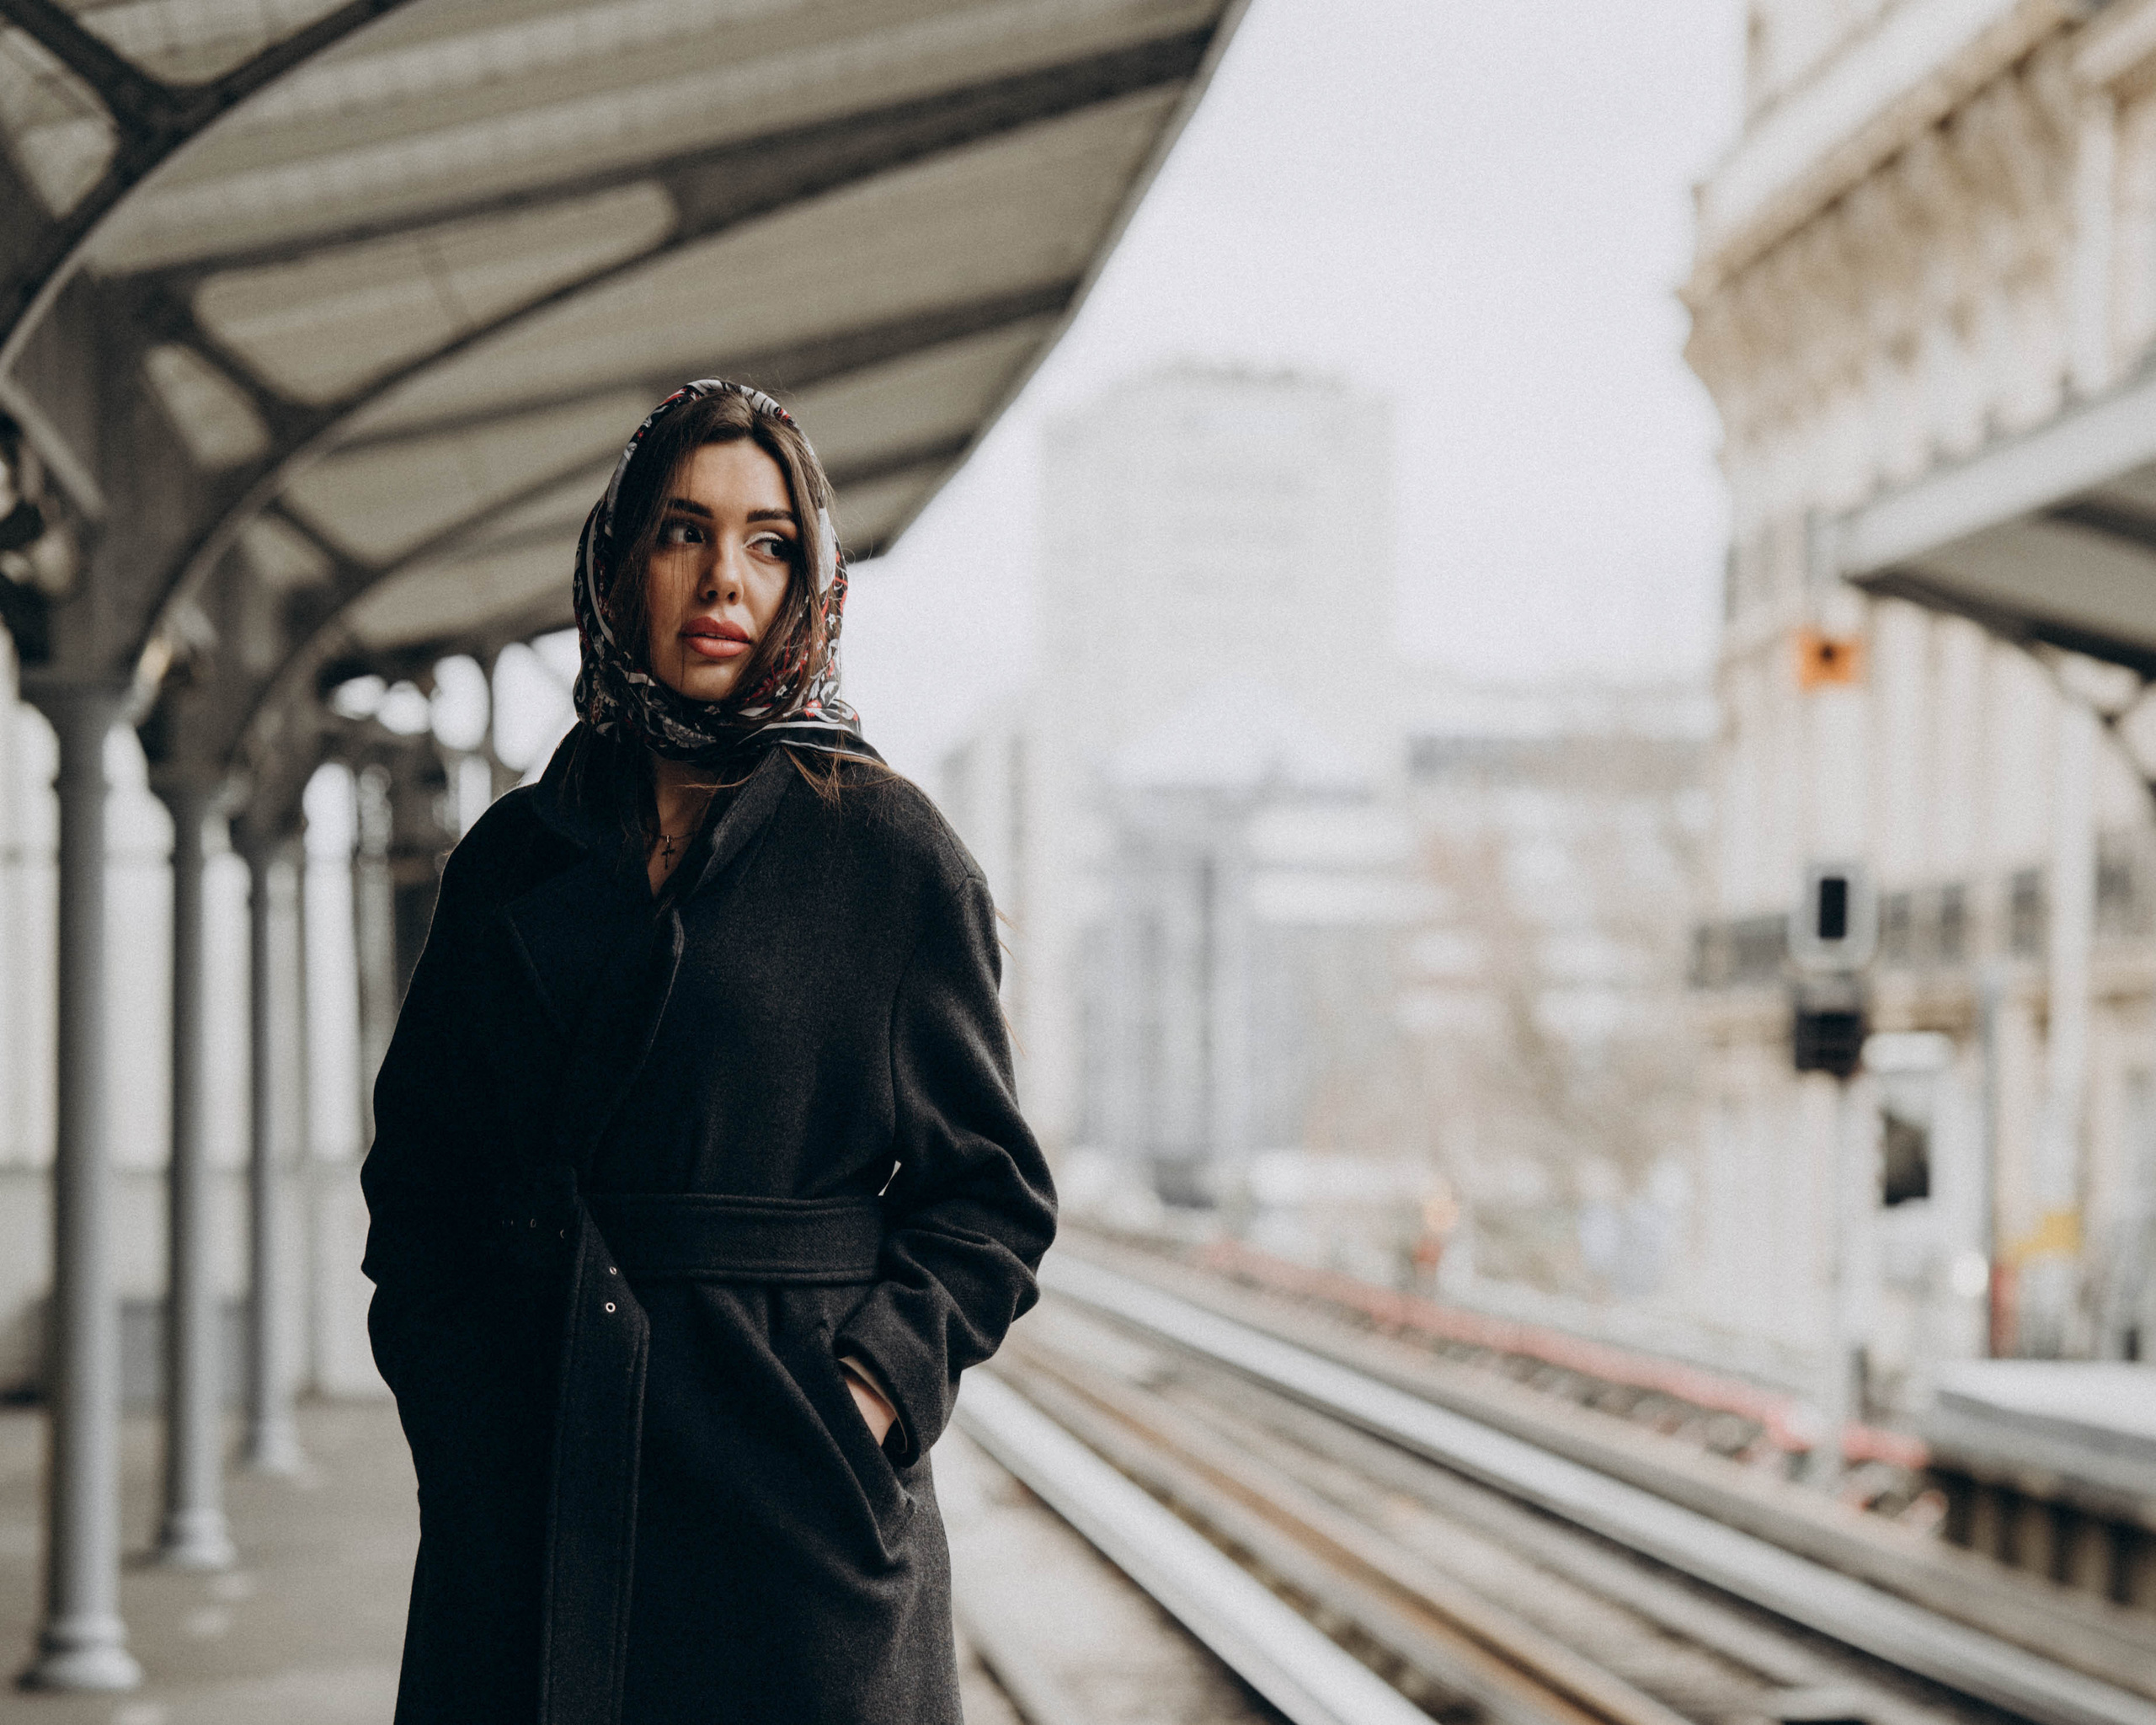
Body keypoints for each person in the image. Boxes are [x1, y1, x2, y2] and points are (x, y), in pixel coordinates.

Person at [360, 380, 1055, 1725]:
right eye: (684, 531)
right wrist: (460, 1408)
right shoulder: (513, 859)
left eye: (768, 542)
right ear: (620, 563)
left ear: (810, 583)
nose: (723, 576)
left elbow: (990, 1203)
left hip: (790, 1512)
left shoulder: (889, 855)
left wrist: (861, 1401)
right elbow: (421, 1183)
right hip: (537, 1485)